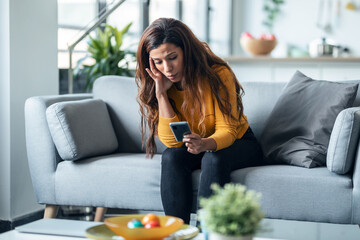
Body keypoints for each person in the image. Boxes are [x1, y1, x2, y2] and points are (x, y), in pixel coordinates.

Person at [135, 18, 263, 224]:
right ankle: (176, 232)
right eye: (158, 62)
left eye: (172, 57)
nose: (167, 68)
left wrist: (205, 144)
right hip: (196, 144)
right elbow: (173, 142)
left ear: (186, 50)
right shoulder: (161, 82)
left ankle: (207, 232)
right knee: (170, 157)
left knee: (213, 158)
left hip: (239, 142)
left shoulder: (218, 74)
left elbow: (227, 130)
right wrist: (161, 95)